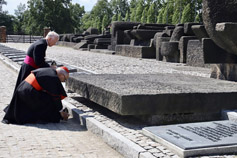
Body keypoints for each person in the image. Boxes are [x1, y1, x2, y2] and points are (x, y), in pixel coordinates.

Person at [2, 66, 70, 125]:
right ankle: (52, 117)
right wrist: (60, 112)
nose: (63, 81)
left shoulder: (50, 71)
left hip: (23, 88)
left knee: (47, 98)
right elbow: (55, 96)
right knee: (49, 101)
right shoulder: (53, 77)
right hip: (28, 92)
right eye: (65, 79)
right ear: (61, 75)